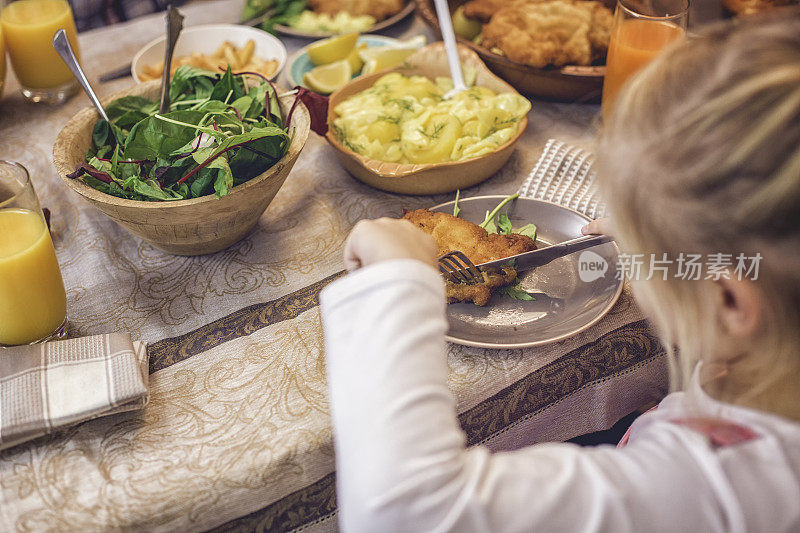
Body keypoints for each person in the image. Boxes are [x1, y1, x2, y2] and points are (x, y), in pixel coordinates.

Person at [319, 13, 800, 533]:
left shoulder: (719, 483)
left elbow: (404, 513)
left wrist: (394, 282)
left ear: (730, 303)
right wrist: (674, 251)